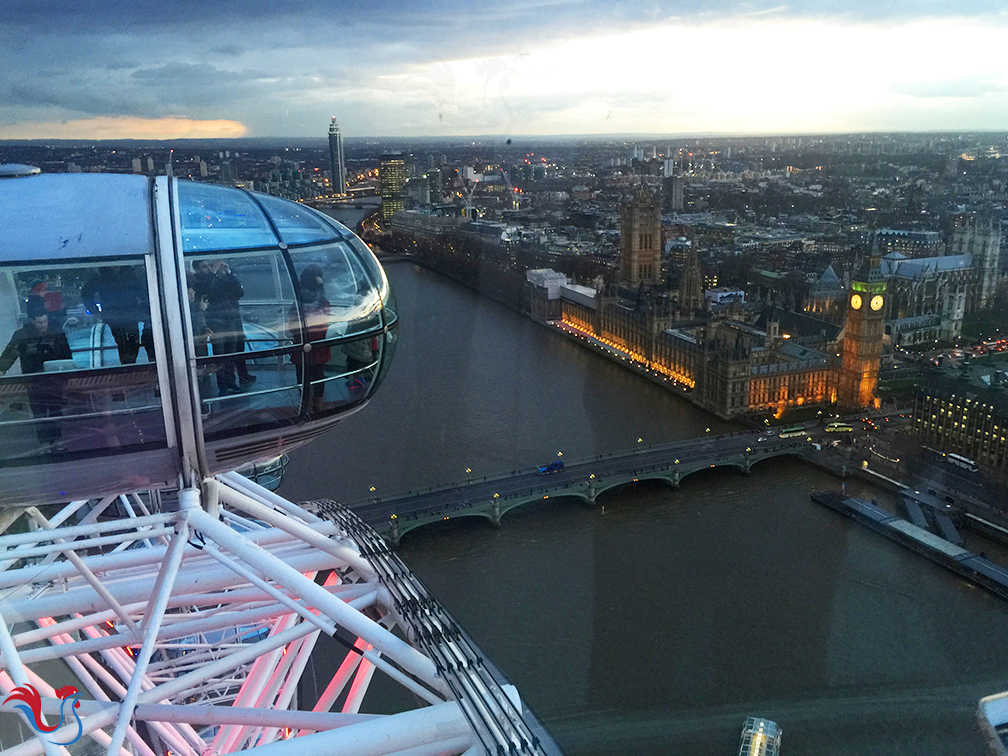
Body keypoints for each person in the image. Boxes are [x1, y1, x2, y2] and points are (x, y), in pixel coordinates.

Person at [0, 296, 73, 451]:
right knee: (41, 412)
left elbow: (66, 354)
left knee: (52, 411)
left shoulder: (25, 334)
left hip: (48, 379)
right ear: (33, 321)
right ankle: (47, 441)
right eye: (40, 322)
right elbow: (8, 355)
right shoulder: (52, 331)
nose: (43, 325)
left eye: (44, 322)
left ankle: (53, 440)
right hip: (38, 380)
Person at [194, 259, 253, 394]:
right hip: (216, 323)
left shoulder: (219, 279)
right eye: (204, 266)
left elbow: (239, 292)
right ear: (197, 270)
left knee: (231, 354)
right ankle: (222, 385)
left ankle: (231, 382)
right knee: (219, 354)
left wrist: (228, 273)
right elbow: (206, 288)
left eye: (208, 265)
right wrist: (214, 272)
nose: (208, 268)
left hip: (230, 320)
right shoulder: (200, 282)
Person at [81, 265, 153, 365]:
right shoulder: (101, 276)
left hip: (131, 315)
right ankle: (126, 367)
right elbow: (86, 294)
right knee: (122, 343)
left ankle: (129, 366)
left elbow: (140, 292)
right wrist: (96, 311)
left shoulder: (128, 273)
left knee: (134, 342)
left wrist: (147, 305)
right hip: (114, 318)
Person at [289, 265, 331, 413]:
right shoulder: (321, 300)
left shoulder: (299, 299)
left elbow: (292, 323)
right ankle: (318, 404)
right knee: (318, 373)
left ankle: (304, 404)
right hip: (318, 343)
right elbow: (325, 317)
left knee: (301, 374)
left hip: (301, 343)